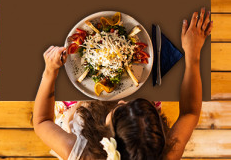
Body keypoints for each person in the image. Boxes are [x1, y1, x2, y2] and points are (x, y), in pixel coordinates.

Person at [33, 8, 212, 159]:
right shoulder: (165, 154)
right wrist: (193, 55)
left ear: (108, 139)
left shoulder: (83, 153)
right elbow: (190, 113)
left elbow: (41, 122)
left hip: (80, 110)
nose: (122, 101)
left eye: (120, 109)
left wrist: (50, 72)